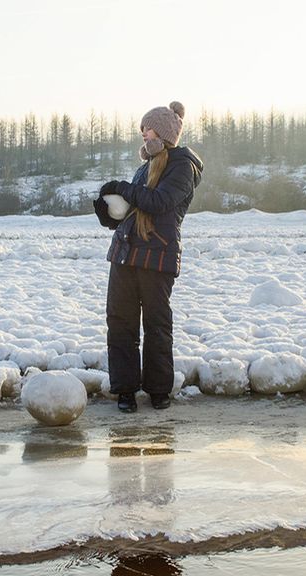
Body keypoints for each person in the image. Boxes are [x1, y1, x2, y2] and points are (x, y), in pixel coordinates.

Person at [94, 101, 203, 412]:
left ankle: (158, 391)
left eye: (148, 128)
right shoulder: (146, 166)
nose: (142, 133)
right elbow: (132, 209)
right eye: (142, 128)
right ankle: (125, 390)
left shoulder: (182, 166)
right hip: (125, 254)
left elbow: (159, 201)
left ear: (165, 132)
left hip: (157, 257)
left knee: (156, 325)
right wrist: (109, 215)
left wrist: (124, 188)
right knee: (120, 323)